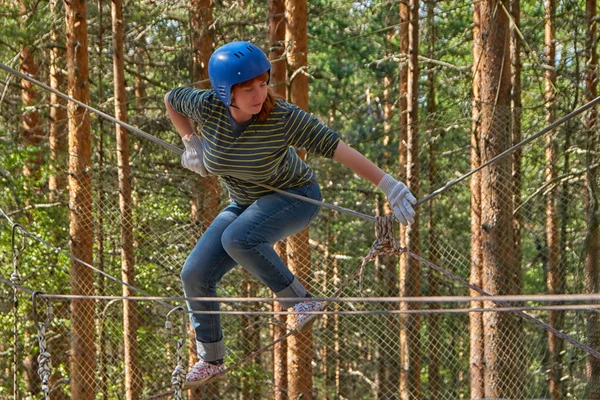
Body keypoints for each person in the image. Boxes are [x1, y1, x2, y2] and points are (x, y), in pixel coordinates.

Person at [164, 41, 416, 385]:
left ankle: (301, 301)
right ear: (226, 93)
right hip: (245, 202)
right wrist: (190, 142)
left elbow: (337, 148)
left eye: (263, 83)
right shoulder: (207, 107)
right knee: (194, 272)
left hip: (297, 196)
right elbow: (171, 99)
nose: (258, 93)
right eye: (247, 87)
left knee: (237, 238)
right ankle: (211, 358)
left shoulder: (282, 117)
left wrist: (388, 184)